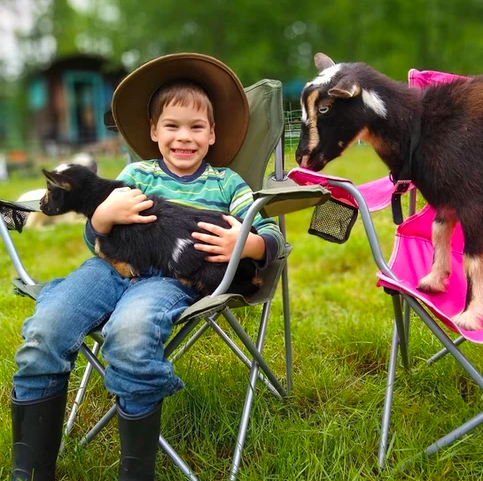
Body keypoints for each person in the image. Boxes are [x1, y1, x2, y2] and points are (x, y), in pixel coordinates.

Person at [10, 53, 285, 481]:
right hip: (106, 270)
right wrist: (101, 218)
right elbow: (95, 239)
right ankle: (29, 470)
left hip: (171, 279)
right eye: (172, 126)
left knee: (131, 333)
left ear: (212, 134)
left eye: (196, 127)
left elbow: (270, 232)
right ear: (154, 131)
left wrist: (246, 242)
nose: (184, 137)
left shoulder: (227, 184)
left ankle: (135, 473)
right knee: (47, 328)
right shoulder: (135, 174)